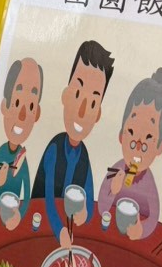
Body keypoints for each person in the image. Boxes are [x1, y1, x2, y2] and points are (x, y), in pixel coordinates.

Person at [34, 40, 114, 248]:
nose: (82, 111)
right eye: (77, 94)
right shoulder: (54, 148)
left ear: (98, 114)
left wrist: (85, 212)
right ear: (65, 95)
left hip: (68, 235)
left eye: (93, 103)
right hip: (38, 226)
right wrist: (59, 230)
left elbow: (89, 201)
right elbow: (48, 200)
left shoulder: (83, 156)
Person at [97, 67, 162, 242]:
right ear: (121, 135)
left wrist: (142, 229)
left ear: (159, 148)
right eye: (131, 132)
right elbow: (101, 207)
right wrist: (112, 191)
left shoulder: (149, 183)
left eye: (148, 138)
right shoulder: (116, 171)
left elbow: (153, 218)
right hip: (107, 237)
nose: (138, 145)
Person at [0, 57, 41, 211]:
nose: (22, 115)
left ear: (36, 114)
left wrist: (20, 215)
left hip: (12, 217)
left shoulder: (22, 158)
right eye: (17, 103)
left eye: (30, 106)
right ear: (4, 106)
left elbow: (27, 194)